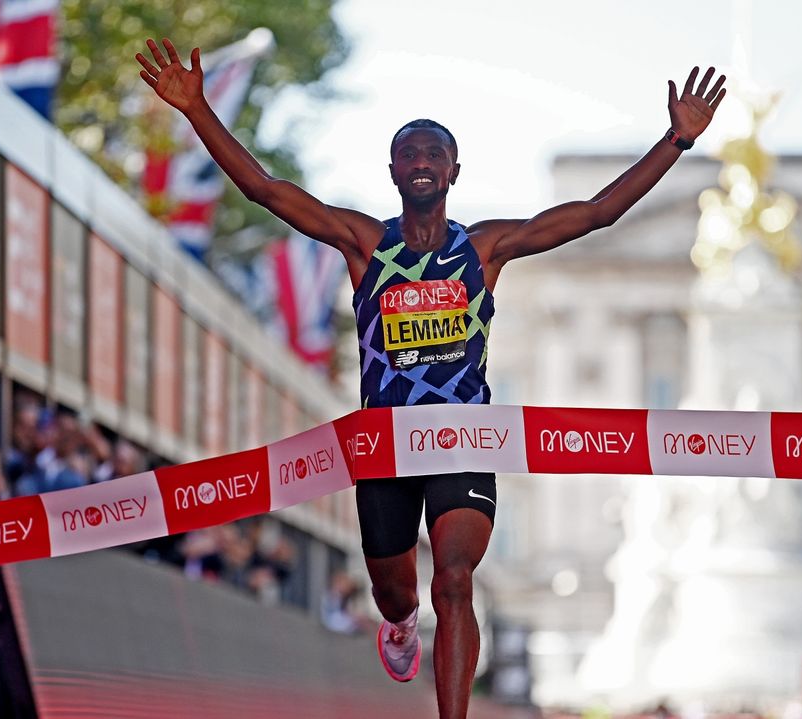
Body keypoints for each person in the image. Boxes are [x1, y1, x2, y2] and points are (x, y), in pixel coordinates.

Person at [137, 37, 724, 717]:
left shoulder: (484, 248)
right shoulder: (364, 243)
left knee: (453, 579)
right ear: (393, 171)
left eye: (433, 155)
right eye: (410, 155)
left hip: (464, 436)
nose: (421, 163)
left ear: (453, 171)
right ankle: (397, 618)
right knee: (398, 589)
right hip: (385, 443)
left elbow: (596, 214)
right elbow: (265, 190)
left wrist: (675, 141)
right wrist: (199, 108)